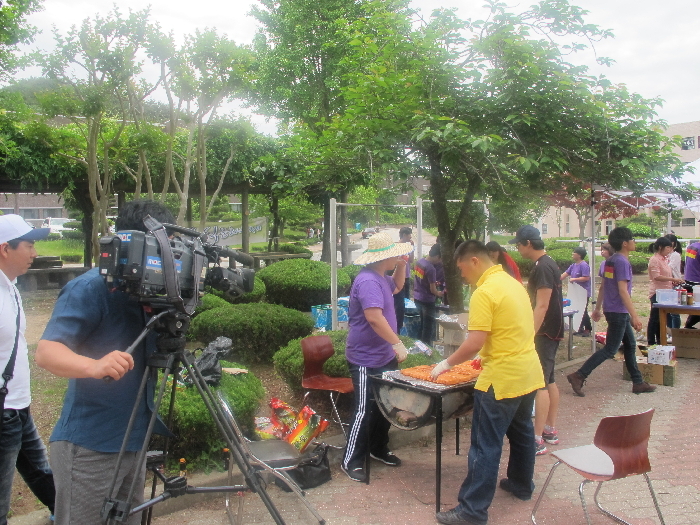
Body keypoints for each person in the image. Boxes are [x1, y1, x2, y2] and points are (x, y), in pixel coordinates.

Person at [35, 200, 176, 525]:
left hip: (133, 441)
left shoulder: (152, 295)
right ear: (132, 243)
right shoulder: (89, 288)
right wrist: (93, 366)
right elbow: (46, 352)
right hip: (90, 447)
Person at [431, 240, 544, 525]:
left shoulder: (484, 292)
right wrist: (487, 352)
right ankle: (521, 484)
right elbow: (514, 328)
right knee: (521, 433)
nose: (462, 276)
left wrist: (445, 364)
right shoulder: (513, 283)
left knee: (484, 445)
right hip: (528, 372)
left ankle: (472, 510)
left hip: (501, 380)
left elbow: (474, 341)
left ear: (474, 262)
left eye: (462, 269)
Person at [341, 232, 412, 483]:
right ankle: (351, 459)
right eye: (396, 255)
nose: (398, 257)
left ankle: (378, 448)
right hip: (365, 358)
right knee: (363, 409)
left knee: (386, 406)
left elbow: (398, 286)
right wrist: (397, 343)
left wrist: (402, 266)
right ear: (385, 256)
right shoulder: (368, 281)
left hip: (384, 355)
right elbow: (373, 317)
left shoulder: (381, 277)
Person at [0, 215, 55, 525]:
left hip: (18, 407)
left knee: (42, 472)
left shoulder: (12, 286)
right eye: (30, 245)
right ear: (5, 248)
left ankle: (68, 515)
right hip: (4, 410)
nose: (35, 253)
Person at [567, 227, 656, 397]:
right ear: (625, 243)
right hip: (618, 311)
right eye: (632, 239)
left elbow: (604, 286)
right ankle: (579, 375)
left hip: (612, 309)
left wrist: (599, 308)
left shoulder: (610, 261)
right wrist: (635, 316)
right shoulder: (622, 262)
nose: (634, 242)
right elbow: (623, 291)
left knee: (630, 345)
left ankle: (638, 382)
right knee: (610, 349)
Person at [511, 226, 563, 456]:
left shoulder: (542, 267)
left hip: (544, 332)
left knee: (540, 382)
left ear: (528, 244)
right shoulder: (548, 263)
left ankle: (537, 437)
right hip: (552, 330)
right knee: (550, 379)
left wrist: (529, 333)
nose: (518, 249)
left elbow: (542, 304)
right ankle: (550, 429)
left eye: (519, 245)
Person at [646, 237, 683, 345]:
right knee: (655, 318)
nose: (669, 250)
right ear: (660, 247)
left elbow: (666, 274)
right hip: (657, 292)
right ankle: (651, 341)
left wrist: (673, 282)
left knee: (662, 319)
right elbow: (656, 276)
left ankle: (660, 340)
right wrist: (672, 279)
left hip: (666, 292)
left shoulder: (665, 259)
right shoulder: (655, 259)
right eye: (667, 247)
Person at [412, 243, 444, 344]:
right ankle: (426, 348)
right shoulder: (431, 269)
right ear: (438, 256)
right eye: (441, 259)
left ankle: (419, 346)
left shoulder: (419, 262)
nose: (440, 261)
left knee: (421, 325)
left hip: (417, 297)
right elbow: (432, 289)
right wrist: (440, 293)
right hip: (427, 300)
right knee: (428, 328)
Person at [561, 247, 592, 337]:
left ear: (579, 255)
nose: (572, 254)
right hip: (576, 293)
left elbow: (586, 277)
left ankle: (588, 329)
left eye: (574, 253)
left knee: (584, 310)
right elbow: (564, 274)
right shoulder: (573, 265)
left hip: (583, 292)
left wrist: (574, 279)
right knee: (577, 309)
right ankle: (580, 328)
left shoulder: (584, 265)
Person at [393, 226, 414, 332]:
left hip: (406, 276)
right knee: (399, 303)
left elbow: (411, 260)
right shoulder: (396, 246)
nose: (411, 237)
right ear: (405, 235)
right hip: (398, 278)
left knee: (406, 302)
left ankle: (404, 323)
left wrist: (412, 248)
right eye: (409, 234)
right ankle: (398, 325)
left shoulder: (408, 247)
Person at [665, 234, 682, 329]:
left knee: (674, 311)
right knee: (667, 311)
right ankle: (669, 331)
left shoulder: (675, 255)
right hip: (668, 284)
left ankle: (675, 332)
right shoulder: (665, 256)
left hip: (676, 285)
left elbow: (668, 268)